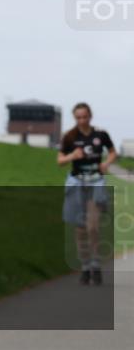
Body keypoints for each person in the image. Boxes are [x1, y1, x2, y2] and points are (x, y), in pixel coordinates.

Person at [57, 102, 117, 286]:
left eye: (85, 116)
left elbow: (113, 152)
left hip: (95, 182)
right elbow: (59, 161)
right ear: (75, 118)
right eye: (78, 117)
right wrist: (71, 156)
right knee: (80, 228)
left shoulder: (100, 134)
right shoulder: (69, 136)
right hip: (77, 183)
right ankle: (85, 266)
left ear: (90, 116)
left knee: (93, 227)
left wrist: (106, 164)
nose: (82, 120)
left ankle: (96, 264)